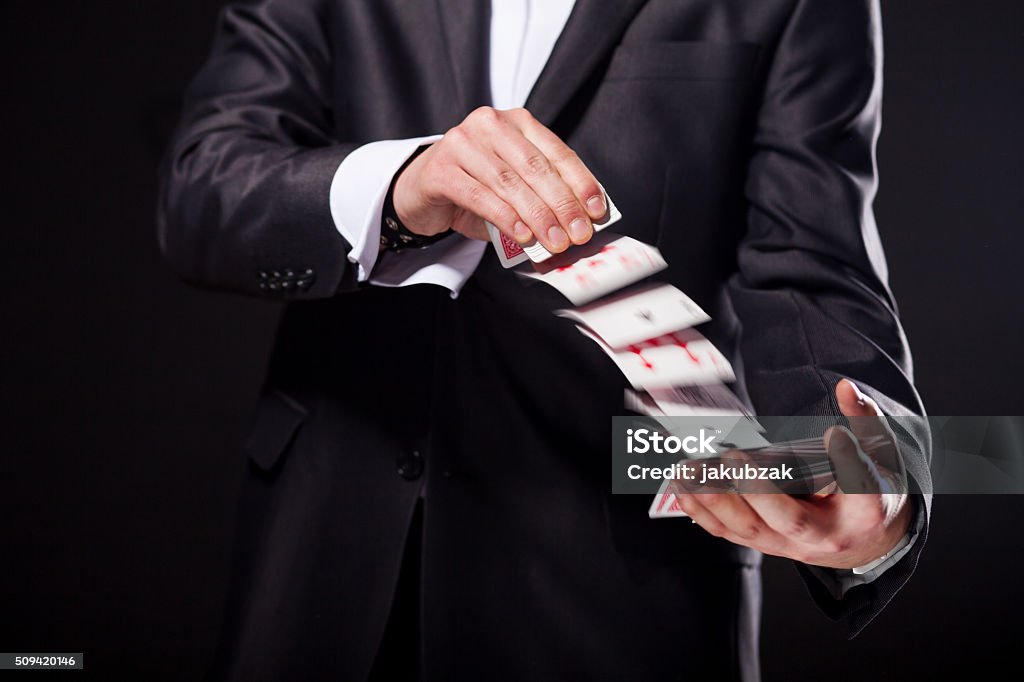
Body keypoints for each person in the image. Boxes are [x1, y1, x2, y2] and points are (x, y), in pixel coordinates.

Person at [158, 1, 931, 679]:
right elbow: (204, 194)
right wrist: (401, 188)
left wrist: (875, 470)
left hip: (624, 589)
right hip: (326, 562)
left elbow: (810, 270)